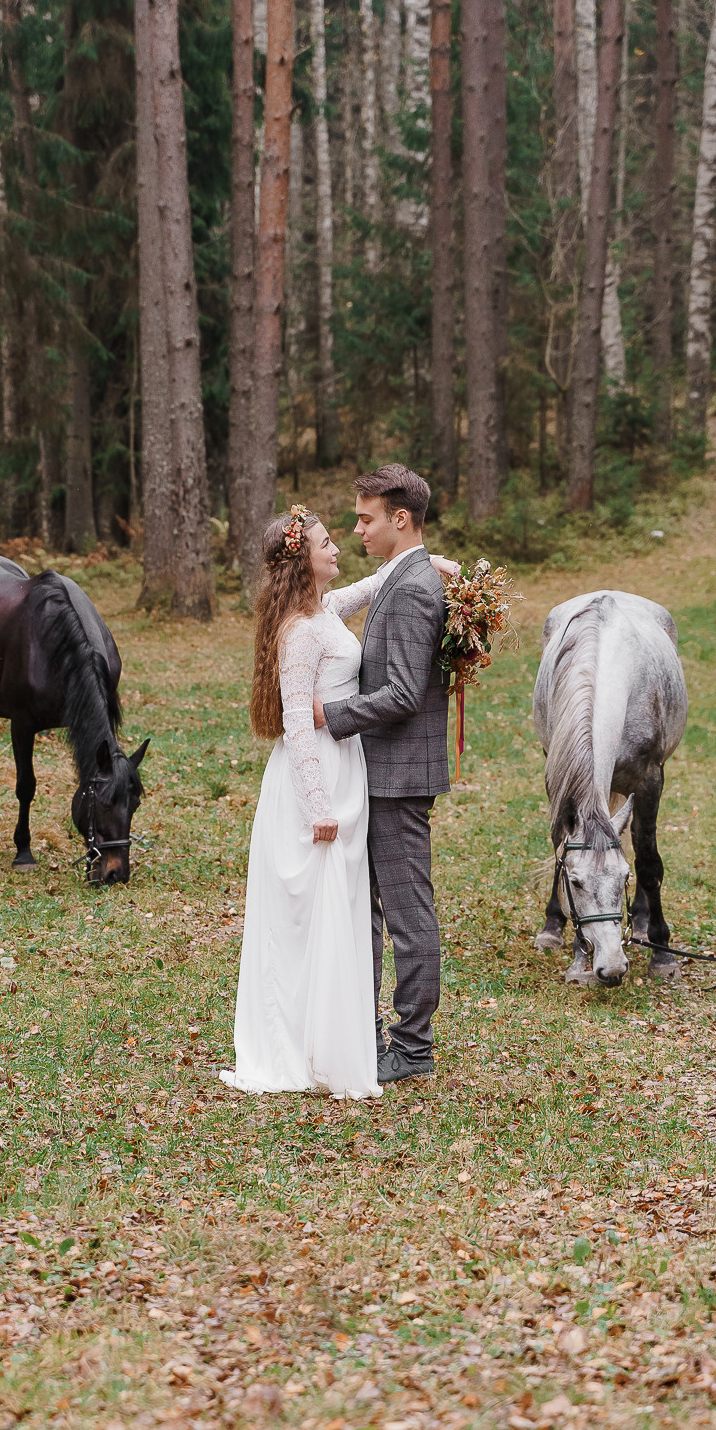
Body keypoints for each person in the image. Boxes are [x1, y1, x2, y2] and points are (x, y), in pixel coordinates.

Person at [220, 498, 457, 1099]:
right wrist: (317, 805)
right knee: (316, 908)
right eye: (327, 540)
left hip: (351, 764)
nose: (339, 543)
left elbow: (376, 583)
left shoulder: (322, 607)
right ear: (303, 561)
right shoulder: (297, 632)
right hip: (320, 775)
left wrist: (436, 565)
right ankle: (308, 1037)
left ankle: (344, 1030)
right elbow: (298, 722)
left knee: (348, 905)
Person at [315, 465, 451, 1084]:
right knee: (369, 909)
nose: (357, 528)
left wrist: (331, 715)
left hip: (399, 774)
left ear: (400, 520)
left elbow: (401, 693)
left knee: (407, 912)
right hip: (381, 770)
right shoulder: (404, 577)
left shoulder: (417, 588)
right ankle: (365, 1030)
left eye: (366, 518)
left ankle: (413, 1048)